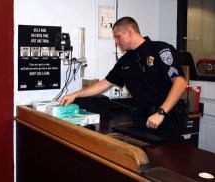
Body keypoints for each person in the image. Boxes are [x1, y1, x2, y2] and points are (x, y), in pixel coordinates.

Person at [58, 16, 187, 140]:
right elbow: (104, 84)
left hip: (166, 119)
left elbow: (180, 82)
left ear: (130, 32)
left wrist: (161, 113)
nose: (116, 42)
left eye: (118, 37)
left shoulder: (160, 49)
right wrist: (75, 95)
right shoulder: (125, 61)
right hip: (142, 122)